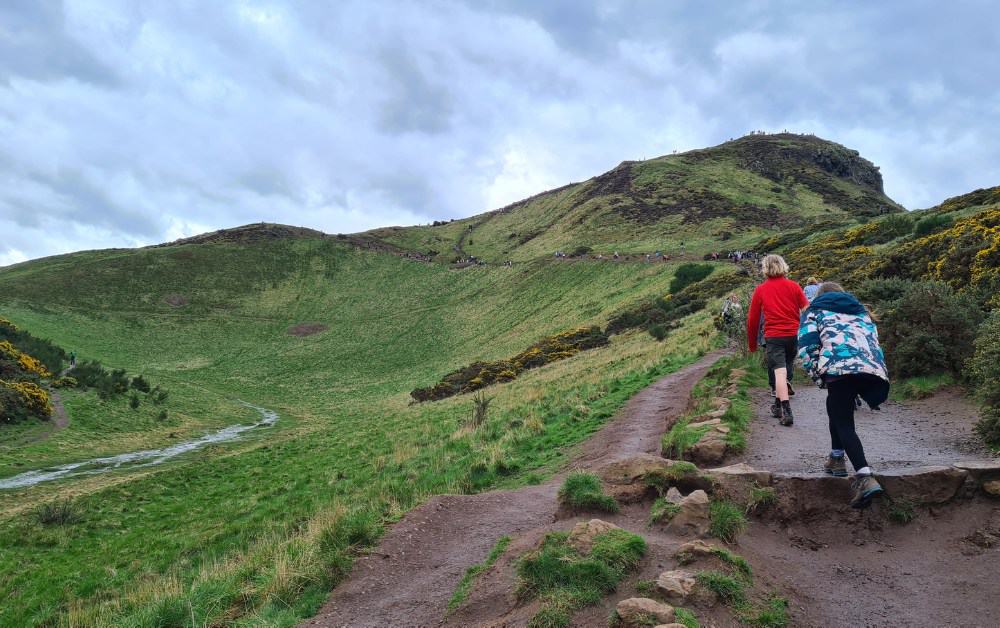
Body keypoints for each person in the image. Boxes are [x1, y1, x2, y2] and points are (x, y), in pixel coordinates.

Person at [798, 282, 889, 509]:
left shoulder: (813, 312)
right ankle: (836, 458)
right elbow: (873, 342)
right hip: (870, 368)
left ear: (819, 296)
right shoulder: (861, 312)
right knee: (837, 408)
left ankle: (865, 476)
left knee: (844, 422)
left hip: (839, 369)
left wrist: (817, 375)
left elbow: (807, 347)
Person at [747, 254, 808, 426]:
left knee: (779, 373)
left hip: (774, 336)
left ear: (765, 268)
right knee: (786, 369)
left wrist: (752, 344)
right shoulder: (794, 286)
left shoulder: (761, 289)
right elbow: (807, 310)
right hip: (793, 335)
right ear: (783, 266)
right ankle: (776, 406)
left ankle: (786, 410)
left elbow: (752, 319)